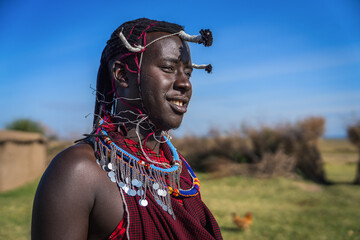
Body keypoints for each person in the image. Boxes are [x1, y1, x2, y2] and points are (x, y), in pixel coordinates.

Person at [31, 18, 222, 240]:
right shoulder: (78, 171)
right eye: (169, 68)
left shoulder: (177, 167)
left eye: (188, 73)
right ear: (122, 74)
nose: (185, 84)